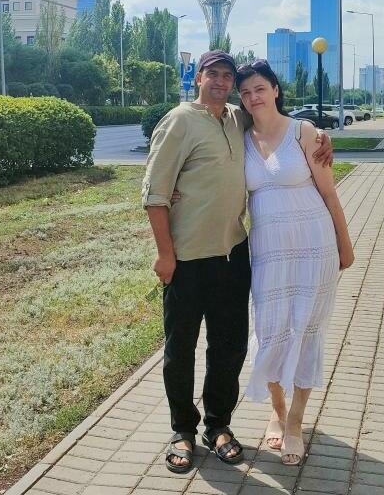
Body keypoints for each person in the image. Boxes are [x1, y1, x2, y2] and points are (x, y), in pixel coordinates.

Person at [142, 50, 333, 474]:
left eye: (228, 77)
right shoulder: (178, 121)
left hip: (233, 254)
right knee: (180, 347)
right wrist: (164, 254)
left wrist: (320, 135)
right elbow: (155, 194)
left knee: (229, 347)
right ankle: (182, 430)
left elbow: (278, 123)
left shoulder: (236, 118)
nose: (222, 82)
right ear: (198, 78)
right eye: (213, 74)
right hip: (187, 258)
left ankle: (218, 425)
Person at [236, 59, 355, 466]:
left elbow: (329, 193)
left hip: (314, 246)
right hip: (268, 252)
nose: (253, 97)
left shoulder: (304, 133)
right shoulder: (240, 137)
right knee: (270, 331)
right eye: (246, 92)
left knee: (305, 330)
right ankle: (277, 408)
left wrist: (345, 244)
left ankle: (295, 422)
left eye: (260, 88)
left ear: (275, 90)